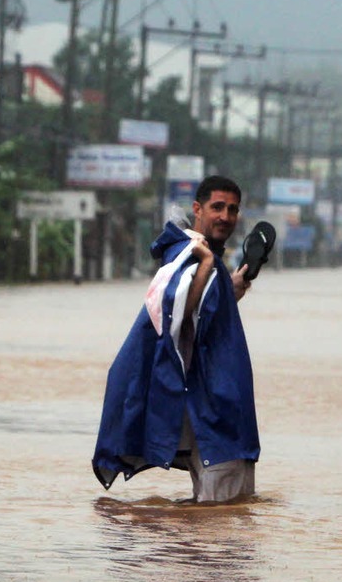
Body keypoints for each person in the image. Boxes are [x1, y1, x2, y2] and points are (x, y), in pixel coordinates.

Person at [92, 175, 260, 503]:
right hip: (211, 407)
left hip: (218, 404)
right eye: (218, 207)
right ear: (198, 208)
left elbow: (197, 319)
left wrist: (229, 289)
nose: (226, 216)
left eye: (233, 209)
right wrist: (209, 264)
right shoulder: (194, 255)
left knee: (223, 510)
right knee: (220, 517)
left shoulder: (198, 258)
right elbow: (176, 313)